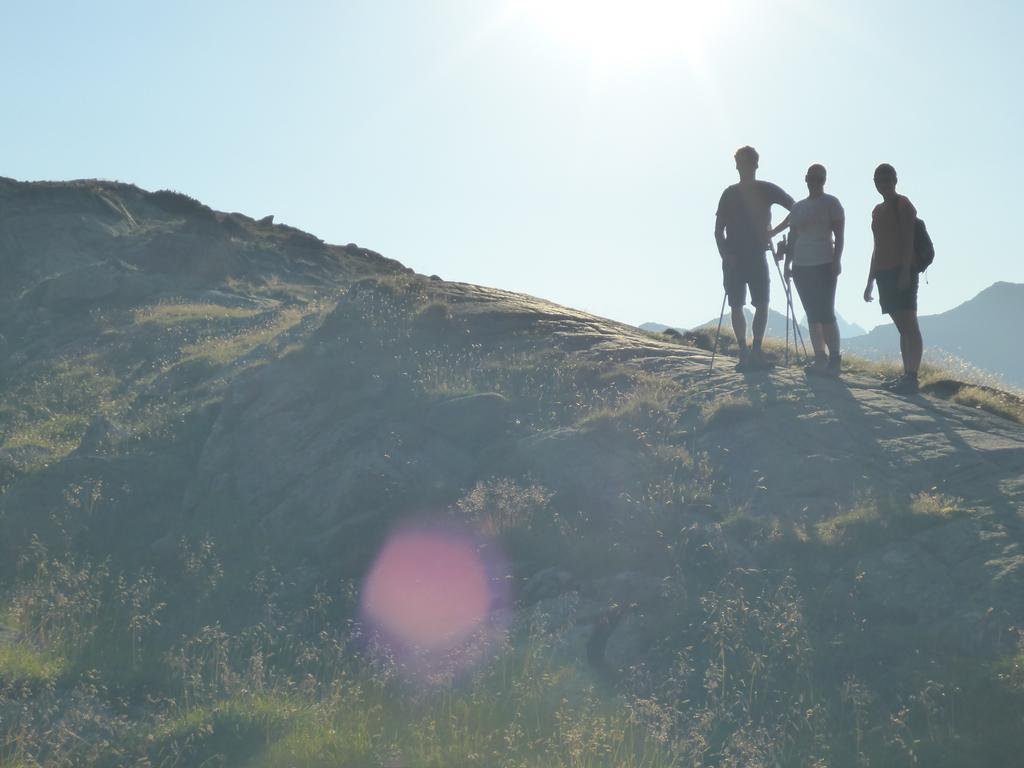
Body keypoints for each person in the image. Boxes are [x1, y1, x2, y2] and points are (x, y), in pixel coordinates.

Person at [715, 146, 794, 370]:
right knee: (739, 304)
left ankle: (753, 351)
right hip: (737, 257)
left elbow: (796, 208)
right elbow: (718, 230)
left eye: (747, 162)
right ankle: (745, 351)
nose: (744, 166)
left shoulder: (750, 191)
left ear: (754, 165)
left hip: (749, 256)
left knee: (760, 303)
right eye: (742, 162)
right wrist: (725, 255)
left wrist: (774, 232)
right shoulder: (734, 193)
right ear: (738, 165)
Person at [863, 163, 923, 394]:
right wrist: (870, 280)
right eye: (879, 179)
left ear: (895, 181)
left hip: (901, 271)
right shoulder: (877, 211)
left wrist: (905, 272)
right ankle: (906, 375)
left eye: (887, 179)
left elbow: (908, 240)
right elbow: (876, 247)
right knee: (902, 327)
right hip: (884, 273)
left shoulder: (904, 205)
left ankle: (912, 376)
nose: (883, 183)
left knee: (909, 323)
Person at [781, 164, 844, 376]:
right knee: (812, 313)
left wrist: (837, 260)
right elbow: (793, 237)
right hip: (801, 266)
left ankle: (834, 357)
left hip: (824, 263)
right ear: (806, 179)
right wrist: (788, 263)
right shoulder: (798, 207)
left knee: (826, 311)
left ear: (824, 180)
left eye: (819, 178)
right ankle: (820, 357)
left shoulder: (832, 203)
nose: (815, 182)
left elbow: (839, 235)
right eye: (812, 178)